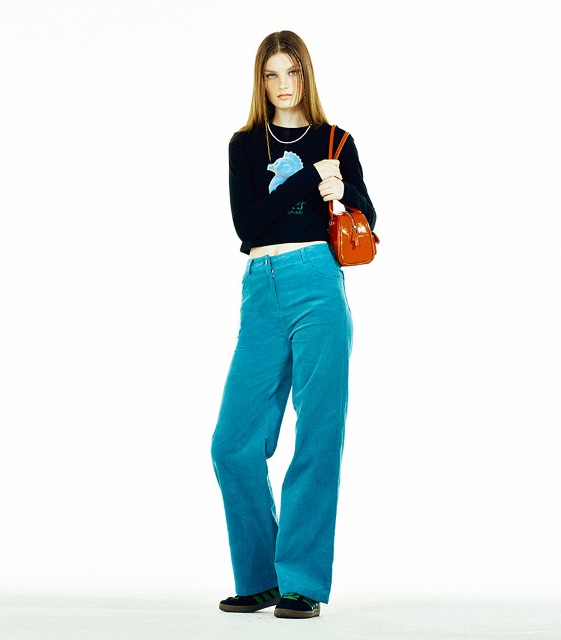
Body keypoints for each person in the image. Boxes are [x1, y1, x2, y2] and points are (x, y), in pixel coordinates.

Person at [210, 30, 377, 619]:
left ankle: (300, 581)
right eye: (272, 74)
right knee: (232, 443)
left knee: (318, 433)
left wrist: (343, 187)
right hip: (261, 288)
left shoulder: (337, 140)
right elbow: (248, 225)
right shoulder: (245, 145)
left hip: (317, 283)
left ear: (307, 75)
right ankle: (260, 578)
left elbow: (368, 217)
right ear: (261, 81)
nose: (283, 85)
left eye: (293, 72)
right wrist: (310, 179)